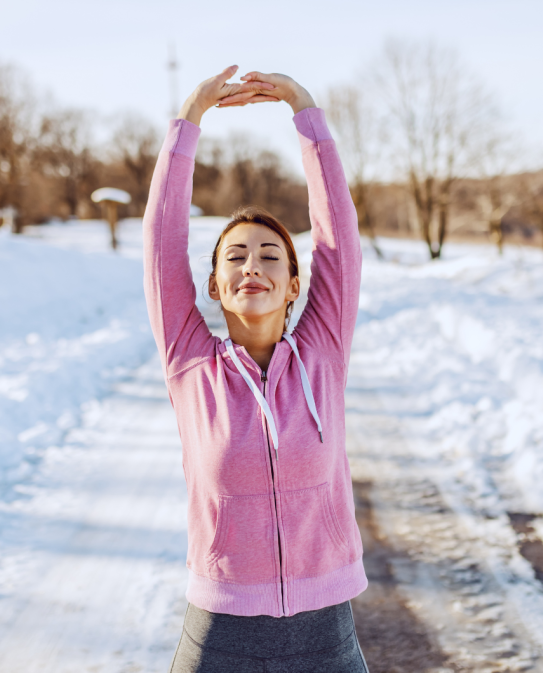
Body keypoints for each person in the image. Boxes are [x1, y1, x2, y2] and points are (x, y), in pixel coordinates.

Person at [144, 65, 368, 672]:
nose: (252, 265)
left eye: (270, 255)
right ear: (214, 285)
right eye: (235, 256)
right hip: (221, 635)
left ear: (294, 284)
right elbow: (161, 240)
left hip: (326, 634)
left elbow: (337, 237)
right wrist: (188, 120)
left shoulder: (323, 351)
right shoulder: (190, 364)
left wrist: (305, 112)